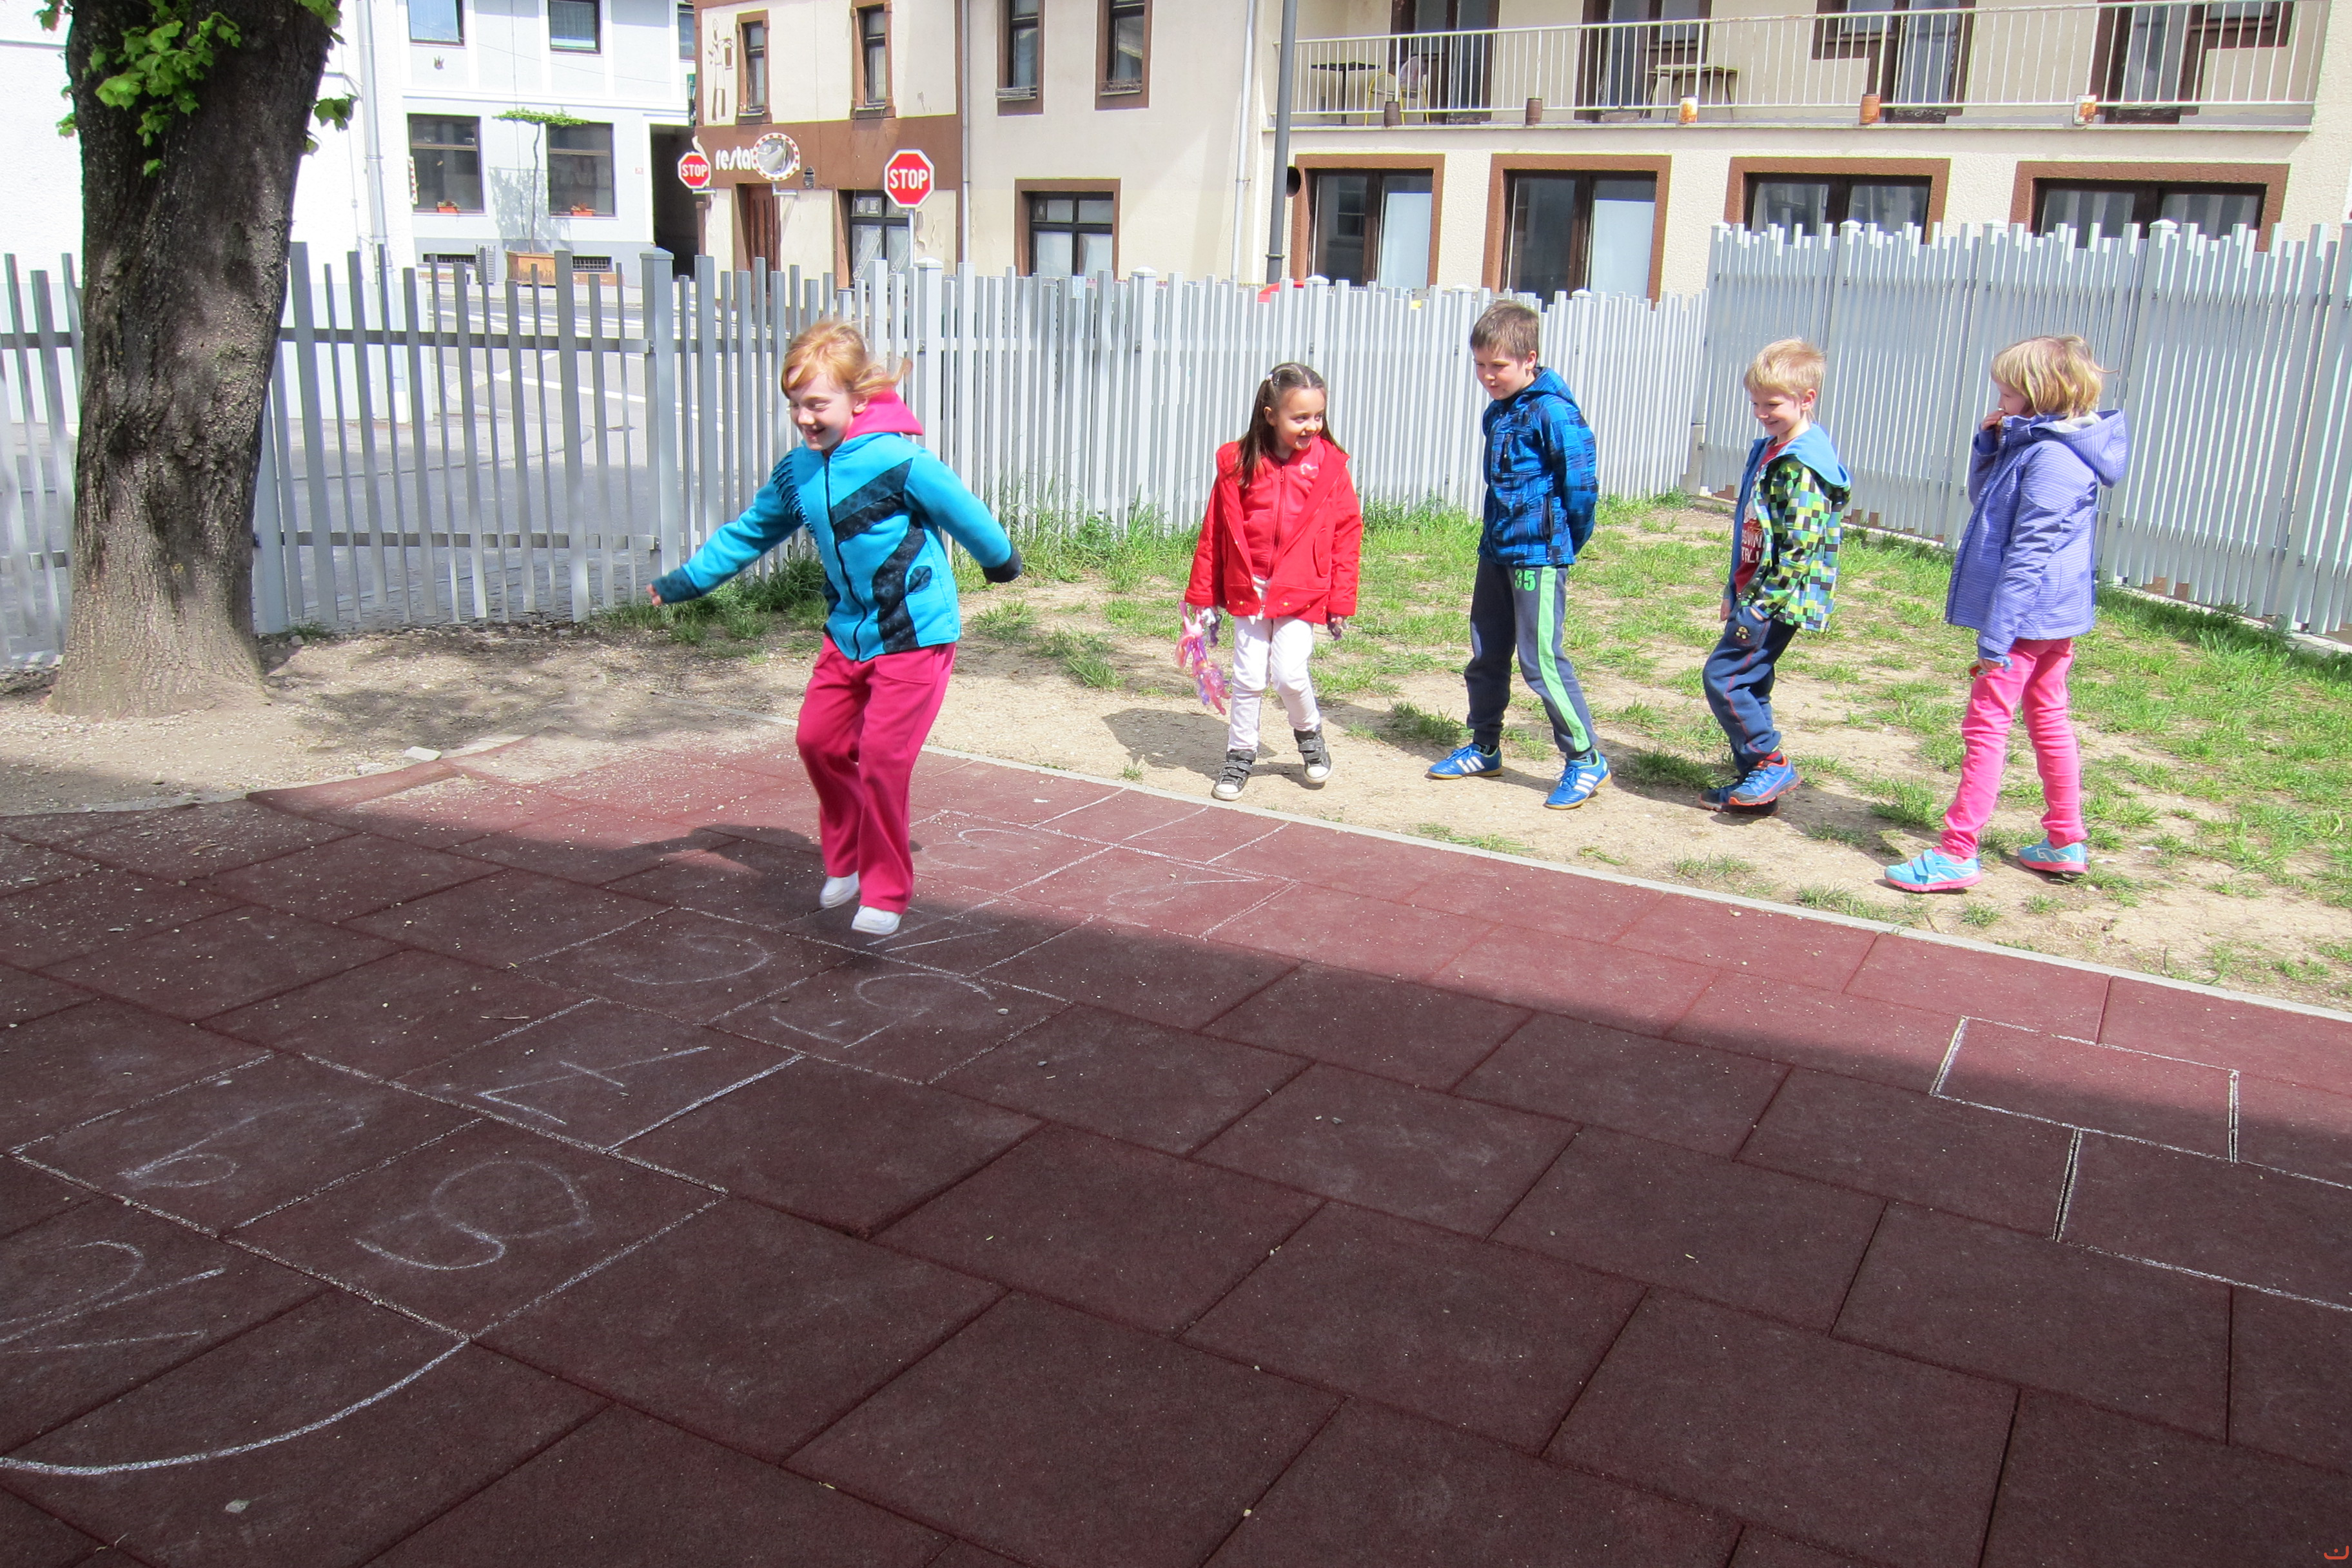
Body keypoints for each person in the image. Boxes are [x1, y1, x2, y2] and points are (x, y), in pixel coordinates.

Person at [648, 320, 1021, 936]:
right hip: (848, 631)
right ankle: (844, 861)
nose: (804, 417)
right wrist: (687, 581)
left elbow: (964, 511)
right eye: (795, 405)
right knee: (818, 742)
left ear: (859, 398)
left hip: (914, 632)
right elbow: (749, 533)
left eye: (817, 404)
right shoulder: (799, 471)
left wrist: (999, 559)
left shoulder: (899, 461)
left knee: (881, 758)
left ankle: (886, 892)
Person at [1887, 335, 2127, 893]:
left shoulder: (2052, 459)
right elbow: (1987, 503)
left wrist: (1996, 639)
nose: (1999, 397)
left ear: (2041, 394)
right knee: (2048, 717)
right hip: (2050, 618)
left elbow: (2027, 555)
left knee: (1986, 727)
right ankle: (2065, 841)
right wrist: (1989, 445)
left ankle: (1957, 852)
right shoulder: (2038, 444)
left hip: (2023, 622)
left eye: (2008, 391)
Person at [1425, 300, 1609, 808]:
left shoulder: (1554, 411)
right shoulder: (1498, 411)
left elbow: (1581, 487)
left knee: (1540, 660)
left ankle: (1585, 758)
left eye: (1499, 365)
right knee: (1487, 652)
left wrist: (1562, 543)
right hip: (1497, 550)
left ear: (1530, 359)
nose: (1488, 376)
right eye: (1480, 365)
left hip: (1539, 555)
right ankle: (1484, 746)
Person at [1184, 362, 1364, 801]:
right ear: (1270, 415)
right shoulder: (1239, 463)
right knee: (1248, 677)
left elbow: (1346, 534)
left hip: (1303, 590)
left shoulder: (1329, 466)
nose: (1311, 426)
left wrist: (1341, 600)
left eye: (1317, 416)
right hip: (1251, 588)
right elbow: (1215, 531)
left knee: (1289, 675)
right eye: (1299, 417)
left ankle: (1309, 732)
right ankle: (1240, 754)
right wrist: (1203, 594)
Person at [1700, 337, 1851, 810]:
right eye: (1756, 404)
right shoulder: (1770, 448)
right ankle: (1757, 784)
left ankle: (1769, 763)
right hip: (1753, 589)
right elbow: (1751, 527)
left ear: (1807, 399)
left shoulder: (1801, 464)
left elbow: (1799, 547)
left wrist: (1761, 604)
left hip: (1775, 598)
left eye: (1773, 404)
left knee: (1725, 677)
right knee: (1753, 681)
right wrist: (1734, 588)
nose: (1762, 413)